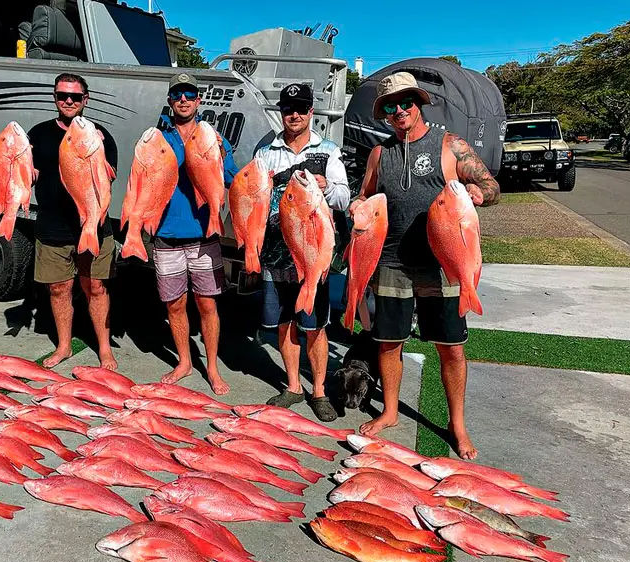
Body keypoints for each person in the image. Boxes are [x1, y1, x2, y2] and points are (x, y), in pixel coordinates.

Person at [348, 71, 500, 459]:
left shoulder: (450, 145)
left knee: (450, 347)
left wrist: (477, 193)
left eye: (406, 102)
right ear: (384, 114)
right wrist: (356, 205)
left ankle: (457, 424)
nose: (400, 111)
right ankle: (392, 411)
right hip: (391, 261)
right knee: (388, 342)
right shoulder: (380, 154)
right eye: (391, 107)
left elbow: (492, 186)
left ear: (419, 102)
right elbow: (364, 194)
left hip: (443, 264)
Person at [254, 83, 351, 422]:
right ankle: (294, 385)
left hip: (313, 254)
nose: (293, 114)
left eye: (300, 108)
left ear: (311, 112)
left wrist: (327, 187)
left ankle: (319, 391)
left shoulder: (329, 151)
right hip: (276, 253)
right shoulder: (266, 151)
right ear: (281, 112)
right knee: (282, 323)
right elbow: (254, 197)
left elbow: (343, 198)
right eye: (287, 108)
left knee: (315, 326)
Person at [152, 72, 238, 394]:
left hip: (205, 234)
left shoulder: (213, 138)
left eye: (189, 94)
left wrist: (222, 154)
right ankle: (185, 362)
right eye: (177, 94)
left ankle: (212, 368)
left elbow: (231, 179)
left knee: (207, 305)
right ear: (171, 101)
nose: (183, 99)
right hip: (166, 233)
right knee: (174, 305)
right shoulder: (160, 138)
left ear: (198, 100)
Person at [28, 73, 118, 370]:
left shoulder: (101, 136)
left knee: (96, 288)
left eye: (75, 97)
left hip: (92, 226)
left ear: (86, 100)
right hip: (53, 228)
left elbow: (108, 182)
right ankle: (64, 346)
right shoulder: (38, 134)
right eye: (62, 95)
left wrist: (99, 152)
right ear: (54, 98)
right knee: (58, 288)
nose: (68, 101)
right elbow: (27, 175)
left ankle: (104, 350)